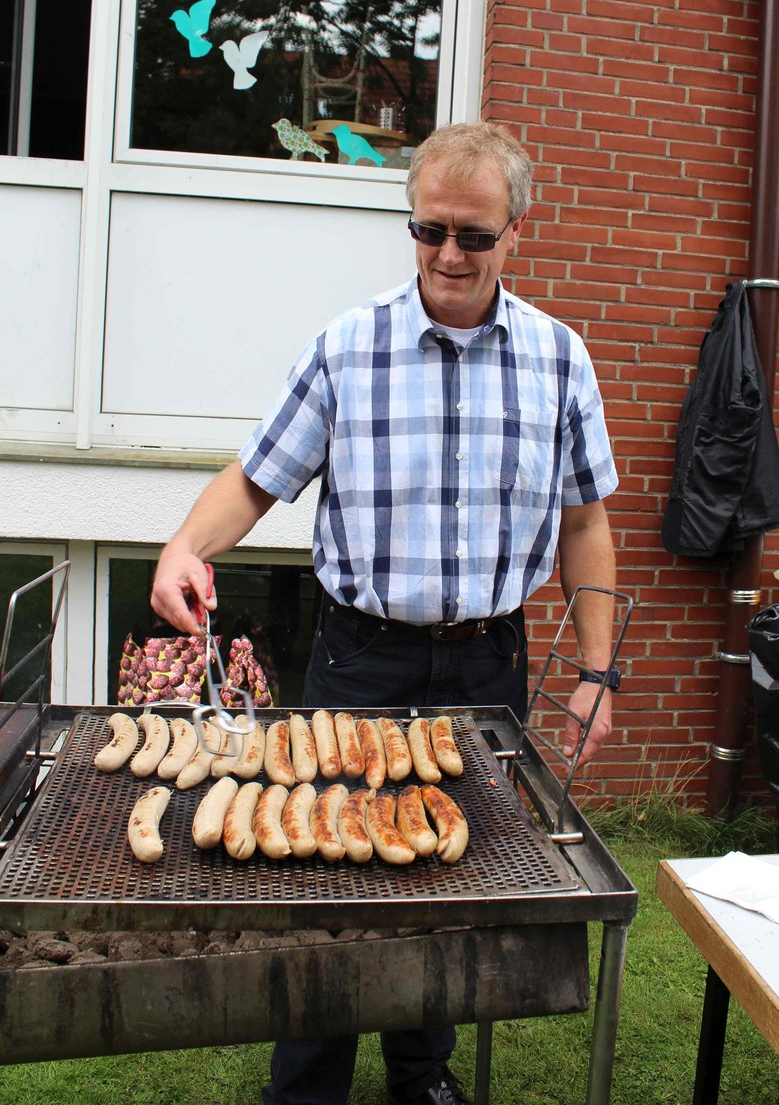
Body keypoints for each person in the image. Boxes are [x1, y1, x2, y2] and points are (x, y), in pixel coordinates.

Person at [151, 120, 620, 1105]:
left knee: (447, 881)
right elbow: (256, 477)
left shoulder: (559, 358)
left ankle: (422, 1072)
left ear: (515, 232)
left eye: (474, 235)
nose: (449, 254)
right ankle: (308, 1084)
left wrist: (594, 670)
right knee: (324, 877)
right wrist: (185, 547)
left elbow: (585, 521)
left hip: (486, 661)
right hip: (359, 658)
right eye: (430, 229)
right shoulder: (346, 345)